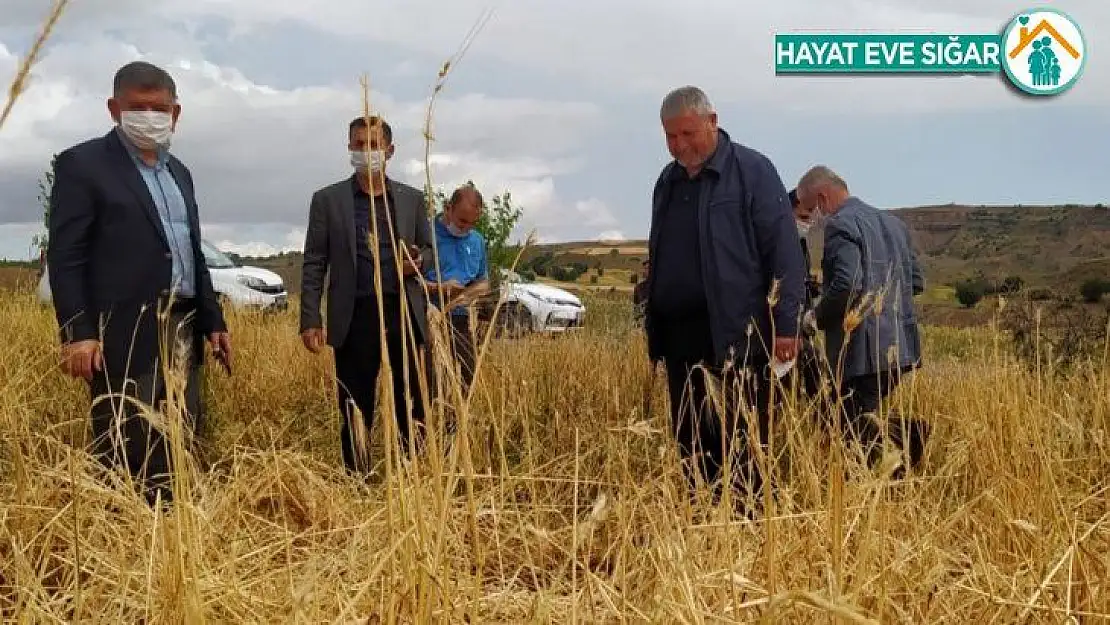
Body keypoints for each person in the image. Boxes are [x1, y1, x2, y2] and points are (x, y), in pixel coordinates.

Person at [46, 61, 231, 506]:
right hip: (123, 325)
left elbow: (191, 250)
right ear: (114, 108)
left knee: (181, 426)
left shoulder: (179, 172)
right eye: (137, 107)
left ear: (176, 113)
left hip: (183, 321)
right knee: (125, 432)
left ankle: (171, 521)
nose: (149, 116)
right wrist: (78, 332)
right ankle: (123, 527)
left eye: (159, 108)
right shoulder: (82, 164)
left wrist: (214, 319)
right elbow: (66, 255)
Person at [645, 86, 807, 510]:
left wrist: (787, 325)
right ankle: (701, 519)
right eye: (670, 137)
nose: (679, 146)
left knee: (746, 440)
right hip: (681, 340)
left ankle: (746, 526)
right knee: (693, 439)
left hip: (739, 337)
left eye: (687, 134)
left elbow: (785, 254)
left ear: (712, 121)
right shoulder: (667, 181)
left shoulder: (753, 171)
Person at [300, 115, 434, 474]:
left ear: (389, 150)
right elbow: (314, 261)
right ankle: (357, 476)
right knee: (355, 401)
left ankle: (411, 474)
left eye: (373, 145)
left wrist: (417, 260)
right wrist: (310, 318)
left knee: (412, 400)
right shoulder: (327, 201)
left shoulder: (411, 199)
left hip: (403, 313)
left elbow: (429, 248)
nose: (366, 152)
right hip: (354, 315)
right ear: (349, 149)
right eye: (359, 145)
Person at [795, 165, 930, 474]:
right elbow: (917, 282)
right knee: (860, 417)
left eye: (810, 209)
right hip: (900, 347)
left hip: (862, 350)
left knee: (854, 427)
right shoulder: (893, 224)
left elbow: (846, 284)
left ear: (822, 196)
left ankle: (904, 455)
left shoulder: (841, 225)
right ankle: (902, 455)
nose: (814, 218)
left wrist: (814, 317)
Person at [424, 183, 490, 396]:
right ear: (448, 208)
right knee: (430, 383)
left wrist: (467, 294)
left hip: (461, 321)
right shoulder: (425, 233)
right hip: (428, 320)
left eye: (472, 223)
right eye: (462, 221)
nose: (465, 228)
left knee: (465, 381)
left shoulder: (477, 241)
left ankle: (455, 427)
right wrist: (440, 288)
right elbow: (408, 281)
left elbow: (483, 281)